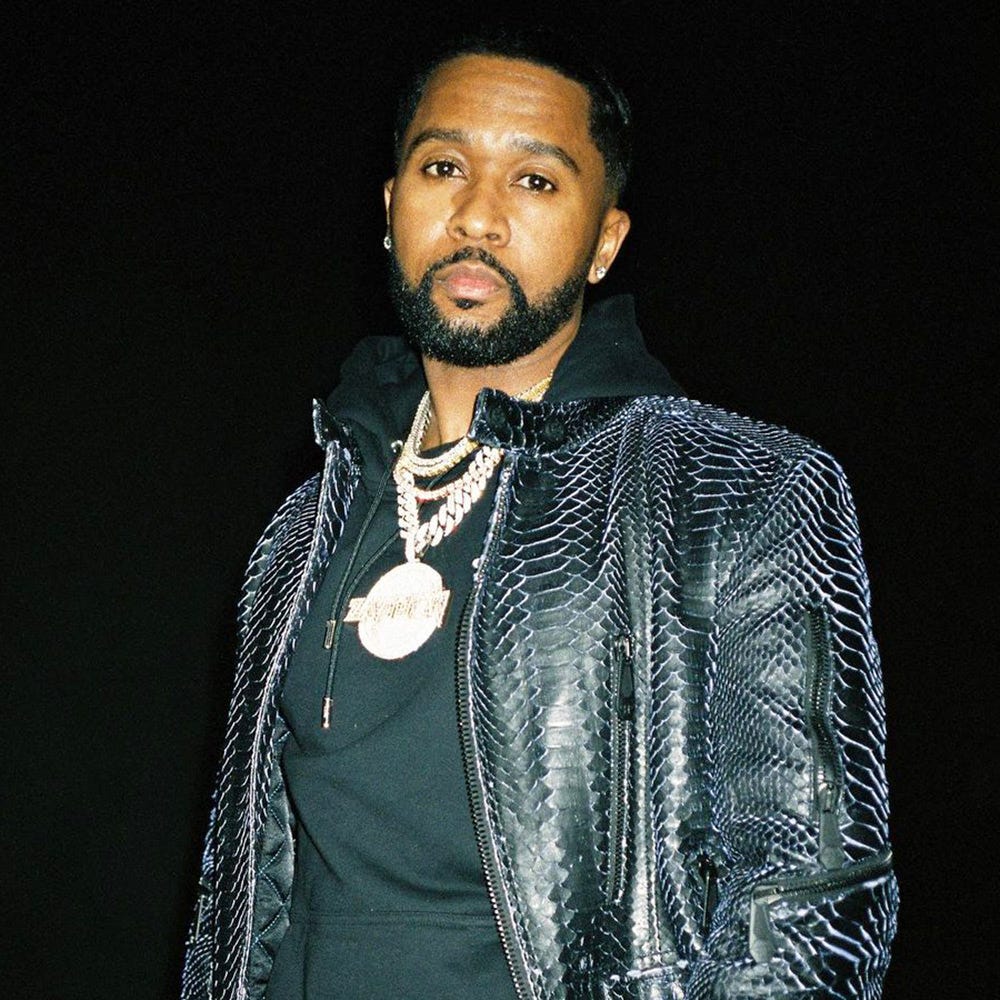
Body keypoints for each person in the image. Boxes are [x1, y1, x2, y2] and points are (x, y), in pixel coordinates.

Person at [181, 28, 897, 1000]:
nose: (477, 215)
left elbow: (811, 908)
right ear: (390, 209)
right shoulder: (302, 531)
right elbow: (237, 905)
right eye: (443, 167)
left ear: (605, 241)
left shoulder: (736, 488)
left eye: (534, 180)